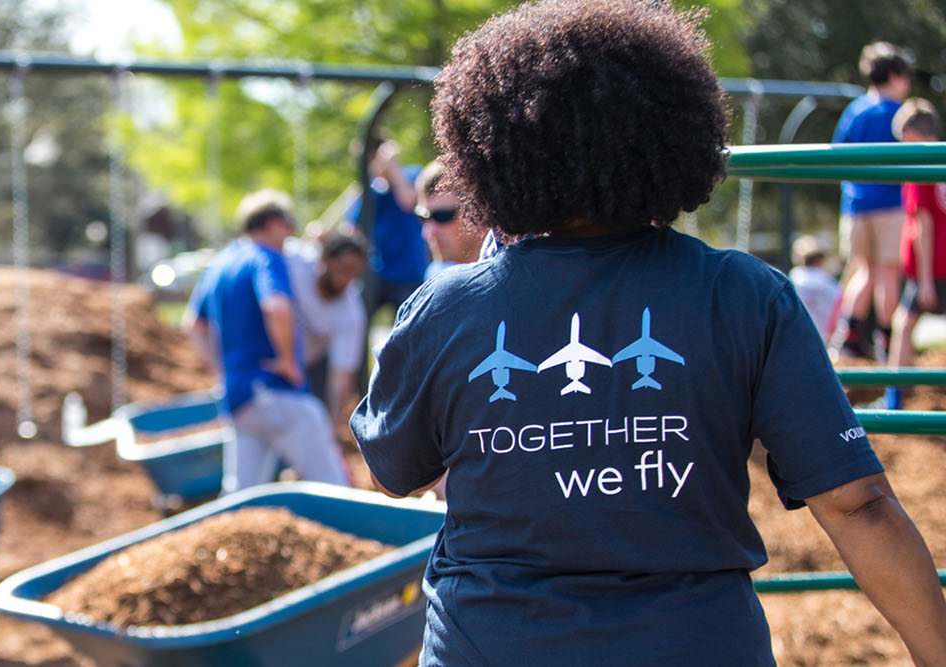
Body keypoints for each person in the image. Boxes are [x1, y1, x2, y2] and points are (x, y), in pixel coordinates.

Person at [350, 2, 946, 665]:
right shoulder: (745, 294)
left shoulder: (446, 307)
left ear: (489, 151)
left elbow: (393, 472)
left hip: (495, 643)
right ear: (676, 136)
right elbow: (856, 502)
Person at [185, 189, 350, 494]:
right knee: (333, 485)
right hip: (275, 389)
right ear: (273, 223)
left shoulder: (222, 263)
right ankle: (362, 535)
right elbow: (276, 305)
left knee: (241, 495)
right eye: (289, 223)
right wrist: (288, 362)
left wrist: (224, 371)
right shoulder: (267, 258)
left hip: (239, 397)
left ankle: (228, 538)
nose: (290, 233)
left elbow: (194, 325)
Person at [832, 41, 913, 360]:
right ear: (895, 75)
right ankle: (887, 339)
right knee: (888, 272)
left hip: (855, 204)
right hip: (890, 203)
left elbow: (837, 152)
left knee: (862, 269)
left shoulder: (856, 110)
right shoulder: (898, 113)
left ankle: (848, 336)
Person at [283, 233, 367, 420]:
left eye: (354, 273)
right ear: (325, 260)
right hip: (276, 354)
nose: (346, 280)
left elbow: (341, 375)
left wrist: (333, 424)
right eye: (343, 269)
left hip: (312, 365)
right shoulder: (296, 262)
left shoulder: (351, 314)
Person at [889, 99, 945, 372]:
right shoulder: (940, 159)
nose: (901, 144)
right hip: (939, 262)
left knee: (903, 324)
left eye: (903, 138)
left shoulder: (921, 165)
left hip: (932, 266)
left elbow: (923, 224)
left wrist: (924, 280)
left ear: (914, 134)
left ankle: (894, 395)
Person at [345, 138, 428, 319]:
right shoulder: (370, 189)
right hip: (377, 273)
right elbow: (352, 229)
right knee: (355, 319)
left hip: (410, 273)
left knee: (409, 336)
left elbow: (408, 201)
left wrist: (392, 169)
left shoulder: (411, 176)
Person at [414, 159, 482, 280]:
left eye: (442, 216)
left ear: (479, 212)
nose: (428, 232)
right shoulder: (436, 275)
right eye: (423, 218)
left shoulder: (515, 277)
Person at [789, 235, 841, 346]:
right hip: (825, 341)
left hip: (794, 340)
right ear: (820, 260)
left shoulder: (788, 281)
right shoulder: (829, 284)